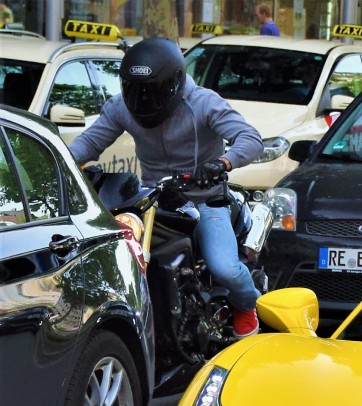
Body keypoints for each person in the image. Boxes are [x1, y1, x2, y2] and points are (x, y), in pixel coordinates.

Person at [69, 38, 265, 338]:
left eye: (151, 90)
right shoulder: (122, 107)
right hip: (152, 203)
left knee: (223, 266)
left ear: (174, 83)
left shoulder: (203, 102)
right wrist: (62, 162)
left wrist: (222, 164)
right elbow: (89, 143)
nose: (144, 99)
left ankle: (246, 303)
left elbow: (250, 139)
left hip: (205, 201)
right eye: (136, 90)